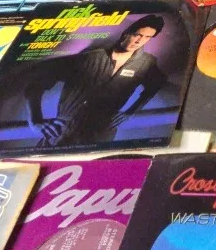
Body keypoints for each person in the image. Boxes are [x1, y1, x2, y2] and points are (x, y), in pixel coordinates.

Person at [24, 15, 167, 149]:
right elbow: (36, 84)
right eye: (137, 35)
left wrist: (131, 112)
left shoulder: (146, 63)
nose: (139, 41)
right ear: (127, 33)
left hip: (101, 134)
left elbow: (156, 84)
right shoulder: (91, 57)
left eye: (147, 37)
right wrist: (35, 121)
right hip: (63, 130)